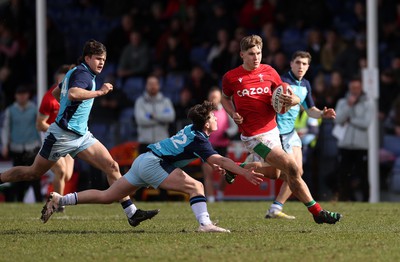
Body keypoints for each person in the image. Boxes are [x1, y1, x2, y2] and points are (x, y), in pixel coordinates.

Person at [41, 100, 265, 232]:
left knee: (108, 195)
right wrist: (243, 172)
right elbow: (220, 160)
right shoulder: (200, 139)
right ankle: (205, 224)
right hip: (154, 163)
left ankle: (60, 199)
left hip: (144, 160)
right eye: (214, 116)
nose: (217, 119)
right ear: (207, 124)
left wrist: (226, 165)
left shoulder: (192, 130)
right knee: (196, 187)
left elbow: (212, 159)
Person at [0, 39, 158, 227]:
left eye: (104, 60)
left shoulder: (75, 72)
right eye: (98, 58)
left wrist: (68, 108)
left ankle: (132, 212)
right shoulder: (82, 74)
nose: (101, 63)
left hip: (81, 136)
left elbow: (58, 94)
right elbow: (74, 93)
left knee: (112, 166)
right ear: (87, 58)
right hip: (61, 136)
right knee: (33, 172)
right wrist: (100, 92)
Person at [221, 35, 342, 224]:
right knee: (293, 168)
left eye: (259, 53)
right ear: (242, 54)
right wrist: (232, 113)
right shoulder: (231, 77)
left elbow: (288, 95)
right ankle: (317, 212)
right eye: (251, 54)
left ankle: (235, 169)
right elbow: (225, 98)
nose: (256, 57)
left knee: (276, 173)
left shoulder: (270, 72)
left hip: (273, 131)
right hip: (254, 136)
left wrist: (293, 100)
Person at [264, 51, 336, 219]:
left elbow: (311, 110)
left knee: (298, 172)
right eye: (297, 62)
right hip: (279, 133)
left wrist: (322, 114)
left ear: (308, 66)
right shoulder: (282, 82)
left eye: (304, 64)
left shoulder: (306, 85)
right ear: (291, 64)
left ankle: (275, 207)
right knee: (288, 173)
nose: (300, 66)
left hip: (292, 133)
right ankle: (242, 167)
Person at [36, 64, 75, 212]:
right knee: (61, 172)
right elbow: (39, 125)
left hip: (68, 139)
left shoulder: (71, 96)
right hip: (51, 141)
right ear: (58, 79)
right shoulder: (49, 99)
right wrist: (58, 129)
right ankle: (59, 205)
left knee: (67, 175)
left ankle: (55, 198)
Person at [333, 76, 373, 201]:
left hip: (361, 145)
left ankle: (366, 199)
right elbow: (338, 120)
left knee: (362, 174)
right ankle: (347, 198)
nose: (355, 90)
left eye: (357, 87)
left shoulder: (368, 103)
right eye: (353, 87)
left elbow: (365, 123)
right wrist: (349, 106)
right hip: (345, 144)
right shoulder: (342, 102)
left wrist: (351, 120)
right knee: (343, 174)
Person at [1, 85, 42, 202]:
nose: (22, 97)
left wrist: (42, 143)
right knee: (17, 176)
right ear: (16, 96)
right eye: (19, 94)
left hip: (32, 146)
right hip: (16, 147)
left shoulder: (34, 109)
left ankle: (38, 200)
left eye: (24, 94)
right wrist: (5, 145)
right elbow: (6, 128)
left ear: (28, 95)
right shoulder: (10, 110)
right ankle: (19, 200)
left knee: (35, 175)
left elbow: (39, 127)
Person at [202, 86, 238, 202]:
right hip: (207, 146)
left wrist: (228, 133)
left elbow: (234, 127)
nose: (214, 99)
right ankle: (211, 199)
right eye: (212, 97)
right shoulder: (203, 111)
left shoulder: (226, 111)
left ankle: (220, 193)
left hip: (222, 146)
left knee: (226, 173)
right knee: (208, 172)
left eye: (216, 97)